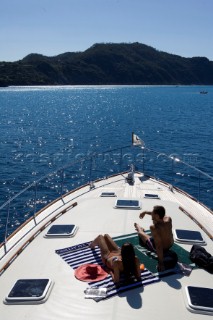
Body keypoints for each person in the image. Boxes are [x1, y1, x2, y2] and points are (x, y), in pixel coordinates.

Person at [134, 205, 174, 272]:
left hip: (163, 248)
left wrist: (161, 263)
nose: (151, 214)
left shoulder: (154, 227)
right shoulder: (168, 219)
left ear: (157, 216)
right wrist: (145, 212)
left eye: (152, 213)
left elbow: (159, 246)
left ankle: (139, 228)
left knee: (142, 234)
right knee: (154, 237)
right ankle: (145, 232)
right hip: (170, 244)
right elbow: (160, 215)